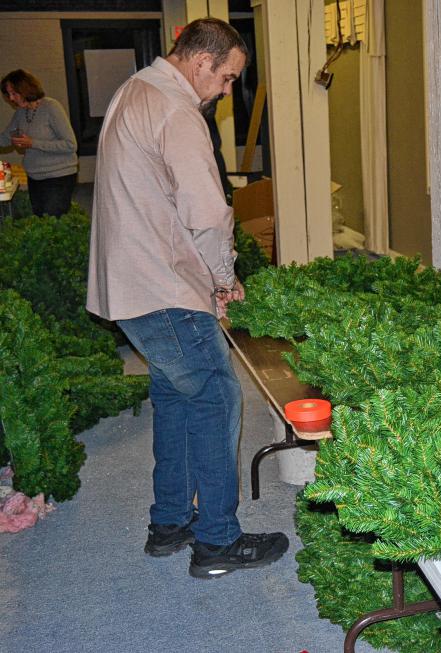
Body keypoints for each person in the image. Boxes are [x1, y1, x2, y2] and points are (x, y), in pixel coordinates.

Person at [86, 17, 288, 579]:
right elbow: (205, 213)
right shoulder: (177, 111)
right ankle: (217, 542)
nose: (226, 93)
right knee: (217, 399)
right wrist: (223, 280)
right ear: (202, 62)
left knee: (177, 399)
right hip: (160, 286)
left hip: (131, 283)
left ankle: (170, 523)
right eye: (226, 79)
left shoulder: (134, 90)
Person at [0, 69, 78, 217]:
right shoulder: (20, 113)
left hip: (59, 177)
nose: (11, 98)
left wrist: (32, 143)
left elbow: (70, 145)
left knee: (52, 224)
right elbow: (5, 138)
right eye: (8, 94)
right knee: (41, 219)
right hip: (35, 177)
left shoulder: (51, 107)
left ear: (25, 89)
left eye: (14, 93)